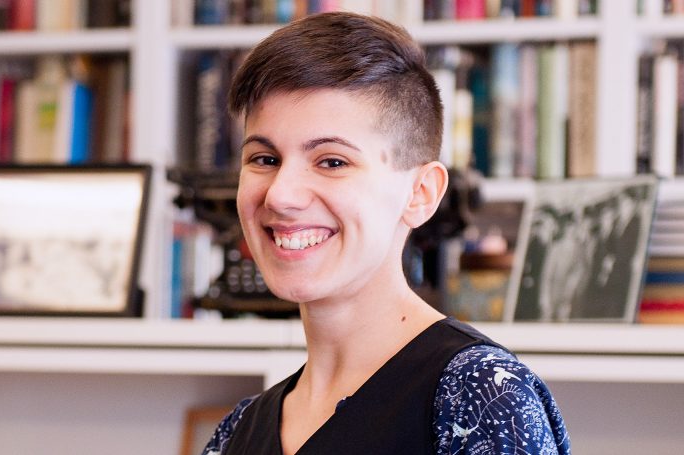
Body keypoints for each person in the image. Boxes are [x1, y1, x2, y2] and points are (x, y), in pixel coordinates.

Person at [202, 12, 571, 455]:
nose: (281, 196)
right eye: (264, 159)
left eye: (332, 161)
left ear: (420, 193)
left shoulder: (480, 394)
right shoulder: (237, 431)